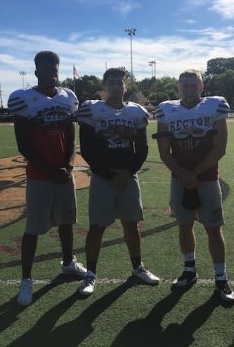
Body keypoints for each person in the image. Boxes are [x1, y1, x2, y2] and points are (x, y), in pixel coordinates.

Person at [8, 51, 86, 306]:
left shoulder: (67, 98)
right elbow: (24, 145)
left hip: (63, 173)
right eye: (45, 68)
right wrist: (50, 170)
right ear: (36, 71)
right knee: (33, 228)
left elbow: (71, 135)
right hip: (40, 175)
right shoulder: (24, 99)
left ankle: (67, 263)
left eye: (54, 67)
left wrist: (69, 164)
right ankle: (26, 279)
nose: (50, 72)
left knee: (66, 222)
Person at [76, 67, 160, 296]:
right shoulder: (92, 110)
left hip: (128, 176)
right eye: (110, 82)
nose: (115, 86)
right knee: (97, 226)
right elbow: (87, 149)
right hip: (103, 177)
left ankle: (137, 267)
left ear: (126, 86)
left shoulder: (136, 112)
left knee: (131, 224)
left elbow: (142, 148)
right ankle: (90, 274)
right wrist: (108, 173)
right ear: (104, 87)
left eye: (119, 82)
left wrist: (128, 171)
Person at [154, 69, 234, 303]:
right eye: (184, 85)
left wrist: (195, 173)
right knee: (184, 225)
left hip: (207, 178)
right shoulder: (167, 109)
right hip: (180, 178)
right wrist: (182, 174)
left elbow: (220, 148)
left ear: (202, 87)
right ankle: (189, 271)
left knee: (213, 228)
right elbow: (164, 151)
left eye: (193, 85)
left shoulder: (214, 106)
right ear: (178, 87)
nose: (188, 89)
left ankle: (221, 277)